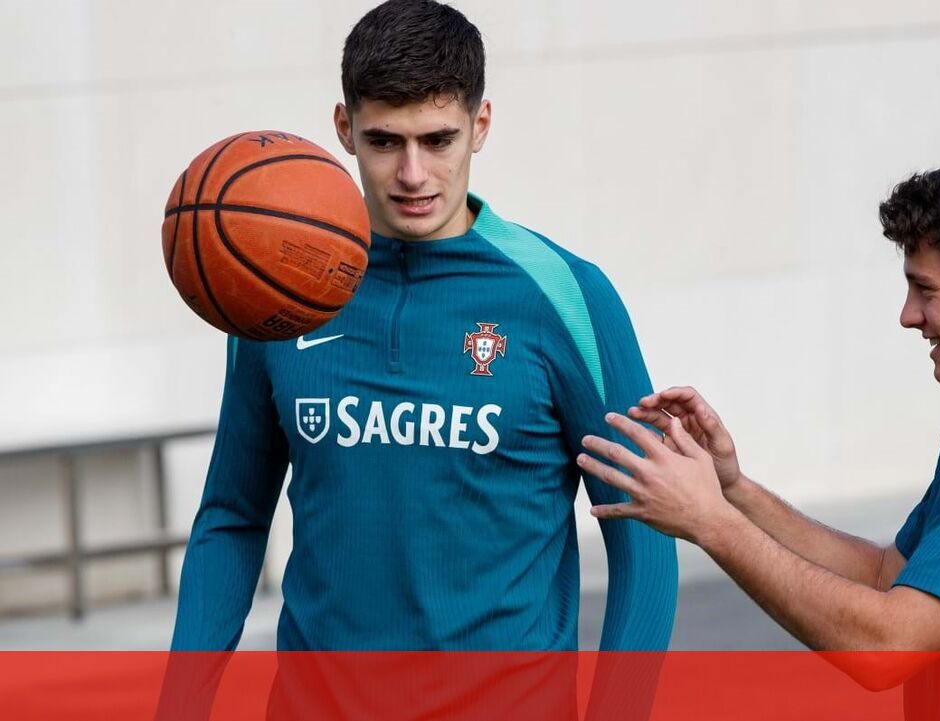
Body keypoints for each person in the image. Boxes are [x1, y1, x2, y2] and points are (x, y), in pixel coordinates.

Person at [168, 0, 675, 715]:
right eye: (384, 141)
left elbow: (645, 534)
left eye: (438, 140)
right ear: (344, 128)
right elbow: (232, 516)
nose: (412, 173)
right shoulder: (277, 292)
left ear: (481, 125)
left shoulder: (565, 295)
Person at [578, 146, 940, 697]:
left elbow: (885, 647)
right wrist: (733, 490)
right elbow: (887, 576)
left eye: (926, 290)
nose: (909, 316)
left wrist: (711, 523)